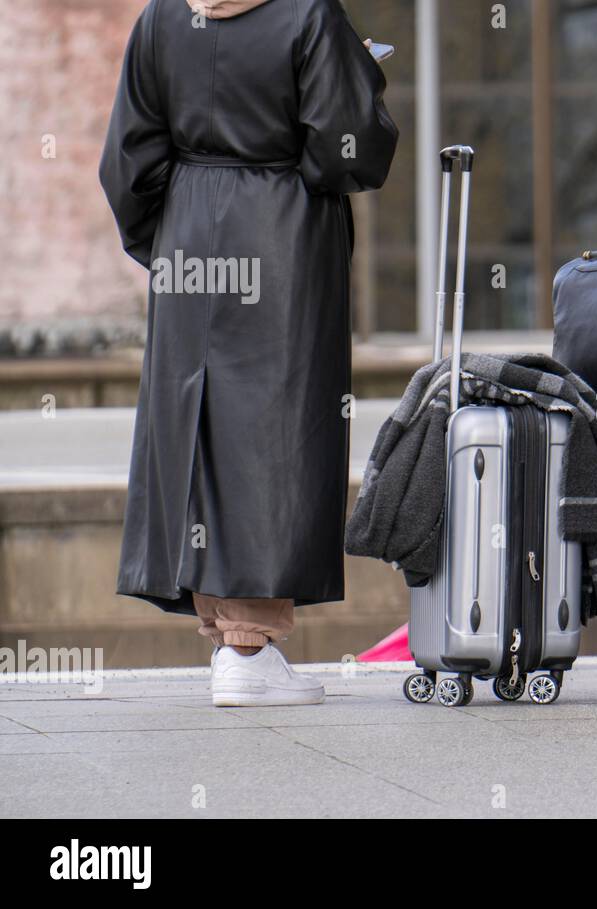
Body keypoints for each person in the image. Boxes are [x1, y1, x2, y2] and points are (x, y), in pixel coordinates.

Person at [99, 0, 398, 706]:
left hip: (187, 230)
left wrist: (171, 238)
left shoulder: (162, 18)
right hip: (282, 234)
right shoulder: (307, 14)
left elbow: (127, 161)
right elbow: (344, 145)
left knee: (198, 423)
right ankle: (249, 644)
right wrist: (365, 76)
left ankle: (230, 632)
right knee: (274, 428)